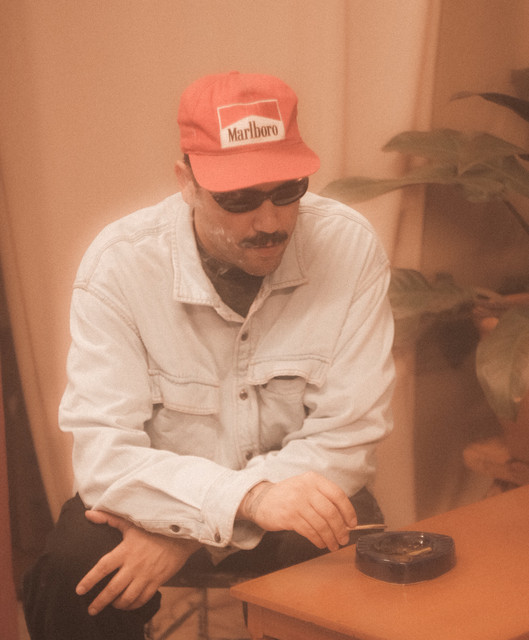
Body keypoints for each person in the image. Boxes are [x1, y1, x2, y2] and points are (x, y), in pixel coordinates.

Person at [23, 71, 395, 640]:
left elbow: (348, 436)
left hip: (295, 492)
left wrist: (193, 532)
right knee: (74, 573)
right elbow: (106, 460)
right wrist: (240, 503)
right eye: (238, 199)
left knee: (337, 555)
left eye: (288, 190)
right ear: (187, 183)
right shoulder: (119, 266)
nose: (269, 222)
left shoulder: (350, 248)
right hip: (160, 499)